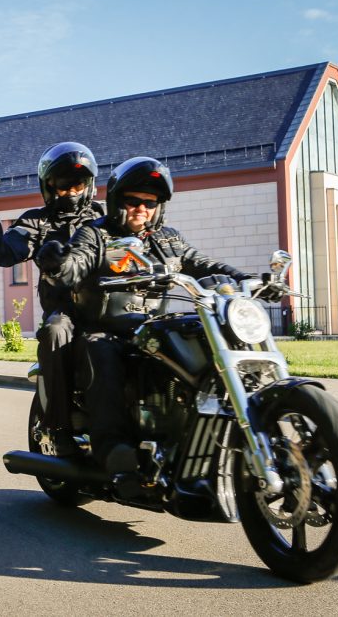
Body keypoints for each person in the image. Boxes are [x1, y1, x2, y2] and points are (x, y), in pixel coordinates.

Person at [36, 156, 260, 492]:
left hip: (150, 327)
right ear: (116, 202)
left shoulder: (168, 239)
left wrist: (248, 279)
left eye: (149, 202)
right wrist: (59, 264)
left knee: (200, 337)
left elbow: (202, 263)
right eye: (133, 201)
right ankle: (113, 448)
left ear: (159, 207)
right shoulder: (95, 234)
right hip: (105, 328)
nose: (142, 208)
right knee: (101, 348)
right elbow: (76, 262)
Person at [0, 141, 104, 455]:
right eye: (62, 185)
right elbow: (0, 252)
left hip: (106, 309)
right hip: (66, 313)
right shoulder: (37, 222)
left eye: (78, 183)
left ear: (90, 185)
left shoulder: (103, 220)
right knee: (55, 332)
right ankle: (59, 429)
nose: (70, 191)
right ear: (49, 187)